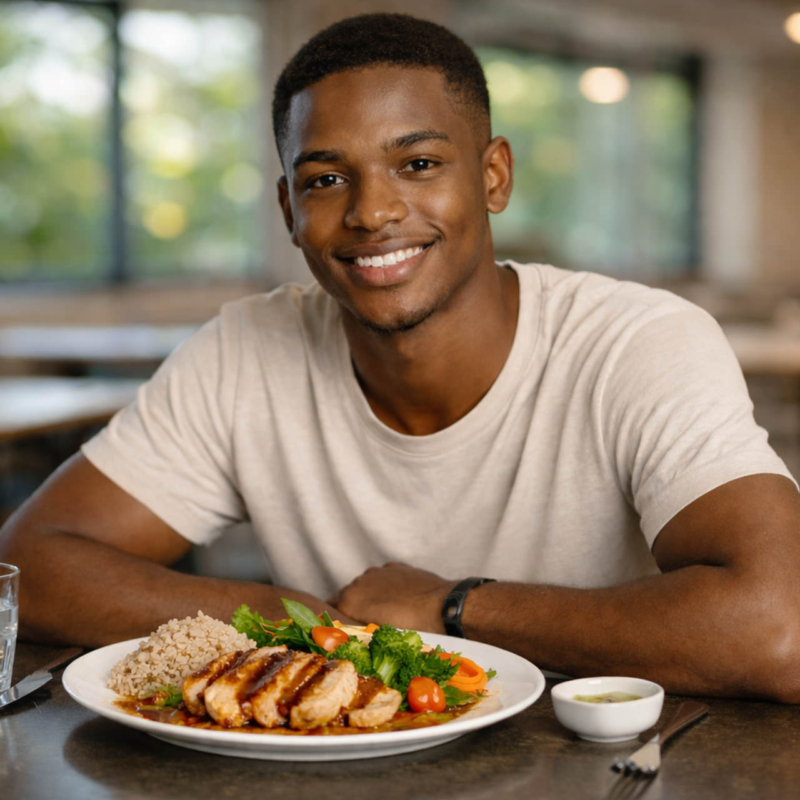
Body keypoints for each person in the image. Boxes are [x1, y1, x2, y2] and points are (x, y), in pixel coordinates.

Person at [2, 13, 799, 701]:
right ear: (289, 208)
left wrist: (453, 608)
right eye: (324, 179)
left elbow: (781, 625)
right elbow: (27, 567)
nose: (373, 211)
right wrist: (299, 619)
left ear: (493, 176)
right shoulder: (243, 350)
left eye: (418, 164)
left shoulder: (637, 342)